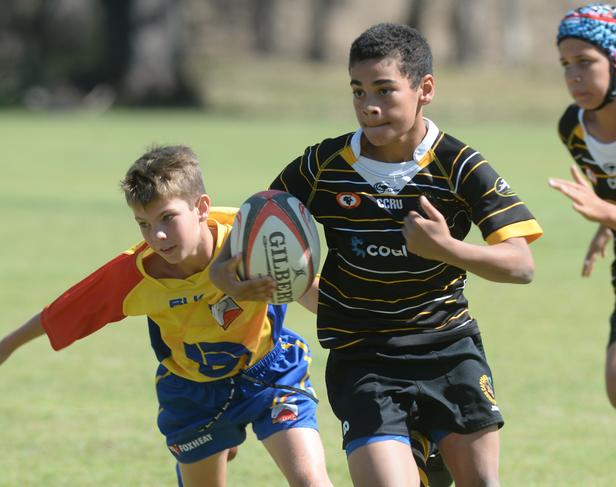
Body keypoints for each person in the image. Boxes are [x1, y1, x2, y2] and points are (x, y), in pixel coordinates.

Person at [211, 23, 543, 487]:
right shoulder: (322, 165)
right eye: (358, 91)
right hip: (363, 357)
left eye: (385, 91)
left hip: (448, 349)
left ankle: (428, 453)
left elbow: (521, 265)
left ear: (425, 89)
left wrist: (445, 248)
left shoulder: (460, 165)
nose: (369, 106)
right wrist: (232, 279)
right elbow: (236, 248)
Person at [0, 145, 333, 487]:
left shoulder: (248, 234)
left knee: (310, 480)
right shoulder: (134, 275)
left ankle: (228, 437)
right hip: (192, 394)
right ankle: (222, 437)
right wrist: (6, 346)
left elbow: (302, 288)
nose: (157, 236)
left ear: (201, 207)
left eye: (168, 218)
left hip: (269, 371)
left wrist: (372, 324)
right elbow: (61, 313)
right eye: (143, 224)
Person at [550, 3, 616, 431]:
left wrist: (606, 212)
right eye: (565, 64)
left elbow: (612, 200)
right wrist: (608, 225)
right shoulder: (572, 128)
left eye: (585, 62)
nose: (573, 76)